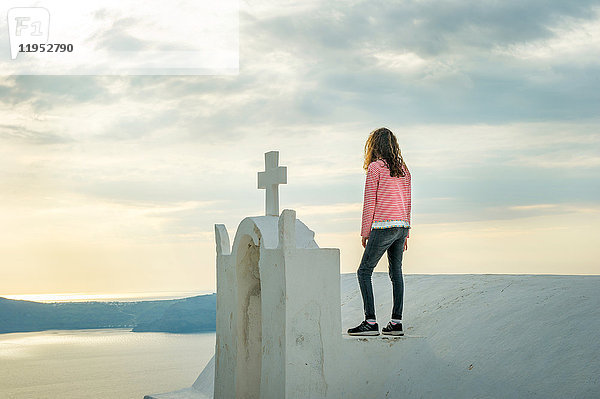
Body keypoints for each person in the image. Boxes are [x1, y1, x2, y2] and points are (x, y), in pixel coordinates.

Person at [347, 127, 411, 336]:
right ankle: (396, 322)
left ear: (374, 146)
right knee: (396, 273)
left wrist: (365, 231)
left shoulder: (375, 168)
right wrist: (407, 233)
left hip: (383, 226)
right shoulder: (404, 169)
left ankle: (370, 321)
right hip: (401, 226)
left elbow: (370, 202)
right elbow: (408, 202)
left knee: (364, 271)